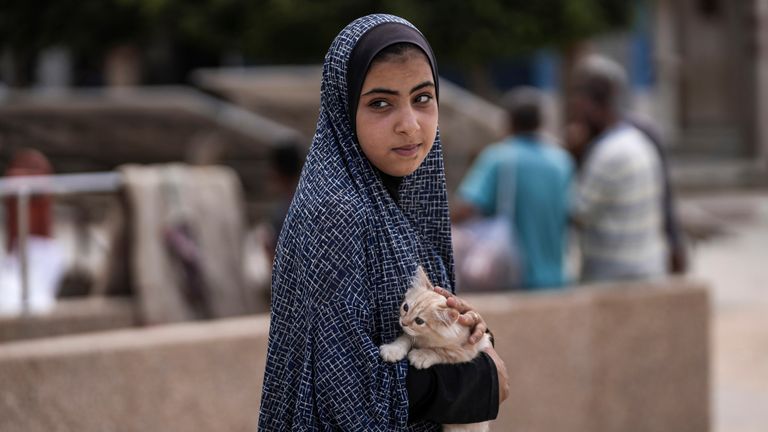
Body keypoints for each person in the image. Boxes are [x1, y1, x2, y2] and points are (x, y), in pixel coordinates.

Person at [258, 14, 508, 430]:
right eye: (380, 103)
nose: (409, 124)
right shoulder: (335, 212)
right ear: (343, 109)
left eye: (423, 98)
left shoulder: (399, 202)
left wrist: (466, 337)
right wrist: (477, 378)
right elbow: (349, 395)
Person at [453, 87, 574, 289]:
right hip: (556, 278)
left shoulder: (499, 158)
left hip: (514, 277)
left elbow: (467, 206)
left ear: (508, 121)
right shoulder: (561, 161)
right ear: (541, 122)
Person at [567, 55, 668, 282]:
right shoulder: (637, 139)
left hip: (616, 275)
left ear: (593, 106)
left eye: (579, 108)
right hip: (648, 266)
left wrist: (572, 157)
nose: (576, 118)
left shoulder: (607, 154)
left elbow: (578, 214)